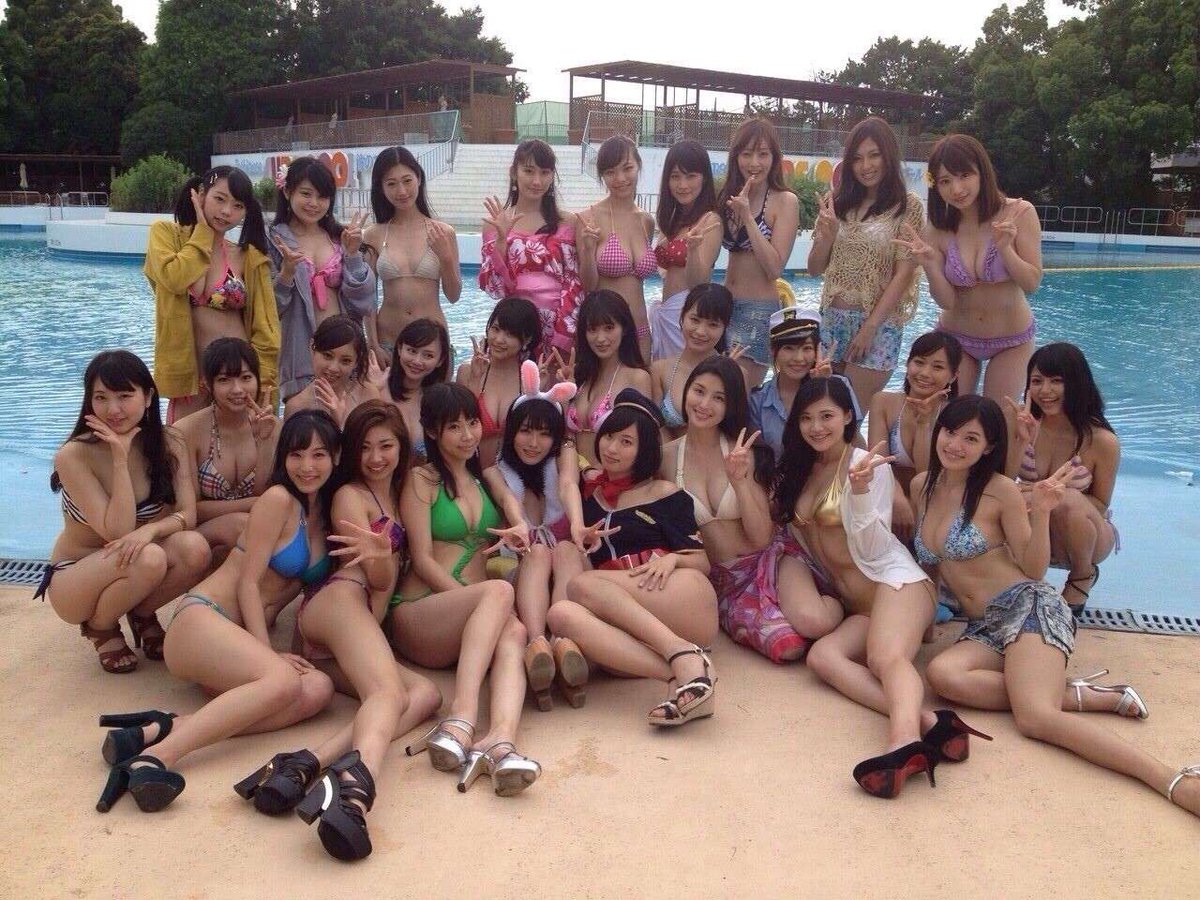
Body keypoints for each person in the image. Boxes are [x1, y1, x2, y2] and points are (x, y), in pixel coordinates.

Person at [917, 396, 1199, 820]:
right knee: (943, 676)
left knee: (1036, 718)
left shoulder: (1000, 491)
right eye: (950, 432)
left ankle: (1173, 780)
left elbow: (1033, 569)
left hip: (1028, 606)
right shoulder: (921, 486)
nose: (955, 445)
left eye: (970, 438)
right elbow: (930, 564)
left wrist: (1044, 513)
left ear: (988, 447)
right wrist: (925, 624)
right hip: (983, 627)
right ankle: (1079, 694)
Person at [92, 411, 342, 814]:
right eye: (296, 455)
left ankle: (161, 727)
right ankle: (156, 758)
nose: (307, 466)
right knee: (281, 681)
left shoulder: (327, 514)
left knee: (318, 689)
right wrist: (269, 652)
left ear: (336, 457)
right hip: (203, 620)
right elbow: (248, 583)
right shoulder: (278, 500)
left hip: (234, 645)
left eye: (319, 455)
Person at [237, 402, 440, 860]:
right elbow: (371, 578)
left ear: (401, 446)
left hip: (357, 619)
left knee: (425, 694)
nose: (376, 457)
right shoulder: (350, 494)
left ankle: (306, 763)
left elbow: (384, 581)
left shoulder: (400, 492)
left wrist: (383, 561)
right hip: (338, 601)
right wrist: (382, 560)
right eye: (365, 447)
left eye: (385, 446)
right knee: (388, 693)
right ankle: (353, 794)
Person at [774, 377, 939, 797]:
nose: (816, 427)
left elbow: (872, 545)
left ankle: (903, 741)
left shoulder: (867, 464)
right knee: (823, 658)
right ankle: (932, 723)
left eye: (827, 416)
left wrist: (861, 492)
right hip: (861, 608)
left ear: (848, 416)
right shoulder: (799, 468)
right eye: (806, 418)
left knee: (885, 659)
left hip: (897, 584)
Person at [389, 384, 541, 796]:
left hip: (471, 620)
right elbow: (421, 559)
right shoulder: (421, 480)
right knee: (499, 593)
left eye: (472, 423)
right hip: (422, 610)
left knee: (515, 631)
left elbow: (510, 505)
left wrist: (518, 525)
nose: (467, 434)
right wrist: (466, 598)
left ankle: (501, 741)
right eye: (453, 426)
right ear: (432, 432)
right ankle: (460, 718)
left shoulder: (483, 477)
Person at [549, 389, 719, 728]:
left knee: (581, 586)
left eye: (626, 442)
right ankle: (683, 675)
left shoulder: (665, 494)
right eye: (609, 436)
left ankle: (680, 650)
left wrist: (673, 560)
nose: (612, 448)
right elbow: (567, 478)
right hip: (625, 620)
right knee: (560, 610)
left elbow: (702, 562)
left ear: (644, 451)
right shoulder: (591, 501)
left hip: (676, 593)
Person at [38, 351, 211, 673]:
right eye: (101, 398)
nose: (113, 409)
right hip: (77, 579)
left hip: (135, 560)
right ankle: (101, 627)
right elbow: (117, 532)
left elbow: (188, 515)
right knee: (150, 557)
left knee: (195, 548)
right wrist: (120, 457)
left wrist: (150, 530)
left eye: (124, 396)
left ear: (148, 397)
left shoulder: (170, 441)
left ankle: (141, 614)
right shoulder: (73, 455)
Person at [661, 356, 808, 662]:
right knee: (787, 646)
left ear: (730, 406)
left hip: (769, 562)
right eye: (699, 391)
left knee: (813, 621)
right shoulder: (665, 458)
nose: (704, 404)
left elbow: (761, 538)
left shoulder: (743, 452)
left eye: (719, 398)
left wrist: (739, 482)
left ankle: (836, 612)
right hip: (723, 584)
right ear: (686, 391)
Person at [896, 134, 1042, 401]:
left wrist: (1005, 249)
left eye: (965, 175)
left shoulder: (1019, 213)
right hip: (956, 338)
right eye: (945, 181)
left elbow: (1032, 282)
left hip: (1011, 340)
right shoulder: (938, 228)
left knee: (998, 416)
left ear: (981, 172)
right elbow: (947, 301)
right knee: (950, 415)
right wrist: (930, 266)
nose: (956, 189)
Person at [482, 360, 589, 710]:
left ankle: (562, 644)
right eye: (526, 431)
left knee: (567, 549)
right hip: (521, 564)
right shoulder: (495, 471)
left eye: (544, 434)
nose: (534, 443)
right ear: (512, 431)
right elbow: (507, 501)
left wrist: (577, 524)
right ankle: (537, 644)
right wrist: (519, 526)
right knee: (539, 552)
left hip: (564, 569)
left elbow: (569, 484)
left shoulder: (564, 456)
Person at [807, 117, 924, 409]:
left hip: (877, 326)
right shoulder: (838, 203)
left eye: (874, 155)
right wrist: (826, 236)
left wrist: (870, 327)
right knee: (826, 412)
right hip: (832, 321)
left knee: (850, 414)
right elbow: (814, 268)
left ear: (889, 156)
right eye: (857, 158)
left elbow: (903, 274)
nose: (866, 166)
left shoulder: (907, 206)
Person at [146, 166, 278, 422]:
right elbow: (174, 278)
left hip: (239, 379)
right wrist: (203, 232)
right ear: (201, 193)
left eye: (238, 206)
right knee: (183, 444)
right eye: (220, 199)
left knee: (245, 446)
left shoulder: (248, 256)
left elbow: (266, 328)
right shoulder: (166, 235)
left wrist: (263, 382)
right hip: (192, 380)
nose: (227, 211)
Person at [1009, 343, 1119, 614]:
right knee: (1004, 502)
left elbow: (1100, 504)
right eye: (1037, 381)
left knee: (1067, 499)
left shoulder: (1102, 441)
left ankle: (1081, 577)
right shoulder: (1020, 423)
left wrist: (1040, 494)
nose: (1045, 391)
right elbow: (1001, 483)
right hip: (1033, 530)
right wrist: (1021, 441)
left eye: (1056, 381)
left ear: (1077, 383)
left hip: (1083, 537)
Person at [268, 156, 375, 402]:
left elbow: (365, 303)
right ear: (287, 191)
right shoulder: (273, 241)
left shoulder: (339, 238)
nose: (314, 203)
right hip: (300, 359)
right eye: (306, 194)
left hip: (343, 357)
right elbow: (268, 311)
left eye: (323, 196)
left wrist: (352, 255)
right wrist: (286, 274)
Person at [175, 338, 279, 559]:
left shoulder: (273, 427)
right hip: (201, 535)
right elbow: (192, 509)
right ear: (207, 384)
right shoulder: (186, 432)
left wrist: (265, 442)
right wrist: (255, 504)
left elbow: (265, 494)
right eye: (224, 380)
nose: (237, 389)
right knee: (243, 525)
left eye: (246, 378)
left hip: (257, 528)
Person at [479, 140, 583, 354]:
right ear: (514, 172)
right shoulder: (496, 224)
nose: (537, 181)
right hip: (515, 330)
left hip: (559, 326)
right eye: (528, 171)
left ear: (552, 176)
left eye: (545, 172)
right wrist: (501, 240)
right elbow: (495, 289)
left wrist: (563, 336)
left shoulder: (568, 223)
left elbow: (574, 281)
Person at [718, 119, 800, 389]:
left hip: (758, 311)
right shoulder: (727, 198)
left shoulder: (785, 201)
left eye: (763, 154)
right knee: (718, 390)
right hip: (723, 306)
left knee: (740, 394)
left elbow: (775, 267)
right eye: (747, 154)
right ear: (736, 157)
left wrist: (747, 218)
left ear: (774, 158)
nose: (755, 163)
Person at [362, 146, 461, 360]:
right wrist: (373, 345)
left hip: (432, 346)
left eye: (407, 180)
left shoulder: (443, 233)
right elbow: (367, 297)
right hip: (388, 343)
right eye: (391, 184)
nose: (401, 191)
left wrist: (445, 258)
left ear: (419, 179)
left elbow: (453, 296)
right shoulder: (373, 235)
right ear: (381, 188)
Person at [577, 135, 658, 360]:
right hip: (604, 333)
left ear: (638, 166)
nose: (620, 178)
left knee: (641, 381)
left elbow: (639, 282)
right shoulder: (589, 218)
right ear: (602, 175)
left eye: (627, 168)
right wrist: (588, 250)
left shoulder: (646, 221)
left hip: (640, 330)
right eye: (610, 172)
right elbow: (588, 286)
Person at [557, 290, 653, 467]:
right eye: (592, 329)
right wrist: (564, 394)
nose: (600, 338)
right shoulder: (579, 376)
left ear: (624, 329)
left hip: (612, 478)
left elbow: (645, 443)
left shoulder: (638, 378)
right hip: (572, 473)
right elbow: (562, 433)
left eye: (609, 328)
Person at [867, 330, 963, 501]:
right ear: (907, 364)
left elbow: (926, 477)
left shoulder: (958, 416)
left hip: (934, 500)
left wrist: (923, 424)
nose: (925, 373)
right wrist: (898, 500)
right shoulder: (883, 402)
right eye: (919, 362)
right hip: (889, 495)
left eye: (938, 367)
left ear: (953, 376)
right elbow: (879, 465)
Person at [649, 140, 722, 360]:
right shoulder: (673, 220)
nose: (683, 184)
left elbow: (698, 283)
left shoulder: (710, 220)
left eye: (691, 176)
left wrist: (693, 249)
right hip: (666, 313)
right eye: (675, 176)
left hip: (689, 315)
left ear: (704, 178)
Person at [455, 296, 541, 469]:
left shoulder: (531, 379)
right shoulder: (467, 372)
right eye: (496, 329)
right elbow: (456, 427)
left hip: (516, 476)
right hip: (472, 473)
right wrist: (475, 380)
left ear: (527, 339)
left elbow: (540, 436)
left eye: (510, 334)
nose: (499, 339)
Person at [747, 300, 837, 462]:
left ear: (817, 350)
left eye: (807, 348)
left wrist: (822, 388)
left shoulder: (838, 386)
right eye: (789, 348)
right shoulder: (757, 401)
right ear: (773, 350)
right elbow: (759, 459)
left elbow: (849, 444)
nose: (799, 358)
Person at [651, 283, 733, 439]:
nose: (701, 331)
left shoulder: (735, 374)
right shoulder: (659, 369)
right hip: (667, 453)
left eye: (713, 324)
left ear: (725, 327)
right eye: (695, 320)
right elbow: (654, 427)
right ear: (682, 317)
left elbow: (734, 432)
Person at [376, 317, 451, 462]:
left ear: (440, 360)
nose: (417, 361)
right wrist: (373, 392)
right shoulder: (378, 387)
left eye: (428, 355)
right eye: (412, 351)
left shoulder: (439, 400)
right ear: (399, 349)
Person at [283, 315, 377, 427]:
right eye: (327, 355)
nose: (333, 368)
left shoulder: (367, 395)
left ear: (357, 361)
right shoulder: (296, 407)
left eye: (345, 361)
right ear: (312, 348)